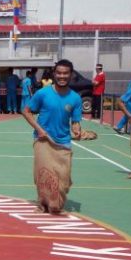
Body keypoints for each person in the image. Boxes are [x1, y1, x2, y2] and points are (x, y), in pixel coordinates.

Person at [22, 59, 83, 214]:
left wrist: (77, 130)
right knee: (43, 175)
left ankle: (55, 202)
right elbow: (26, 111)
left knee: (63, 181)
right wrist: (39, 129)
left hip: (63, 143)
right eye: (59, 73)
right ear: (54, 74)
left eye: (65, 73)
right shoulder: (43, 93)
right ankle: (43, 204)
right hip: (43, 141)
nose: (62, 76)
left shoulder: (75, 98)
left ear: (71, 75)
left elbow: (75, 122)